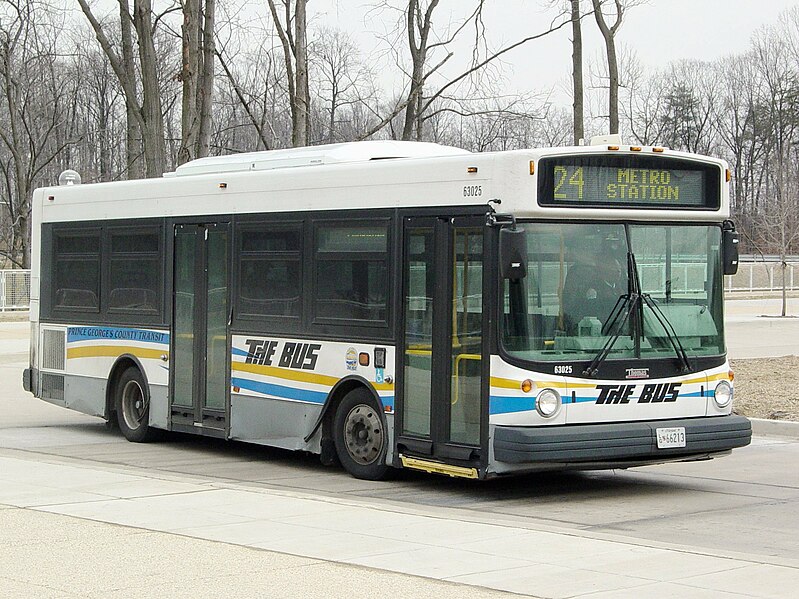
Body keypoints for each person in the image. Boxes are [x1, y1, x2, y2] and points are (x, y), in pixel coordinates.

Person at [562, 240, 627, 335]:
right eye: (614, 269)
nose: (618, 272)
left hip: (621, 335)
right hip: (601, 334)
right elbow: (593, 315)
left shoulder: (622, 288)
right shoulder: (593, 289)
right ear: (604, 270)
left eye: (619, 270)